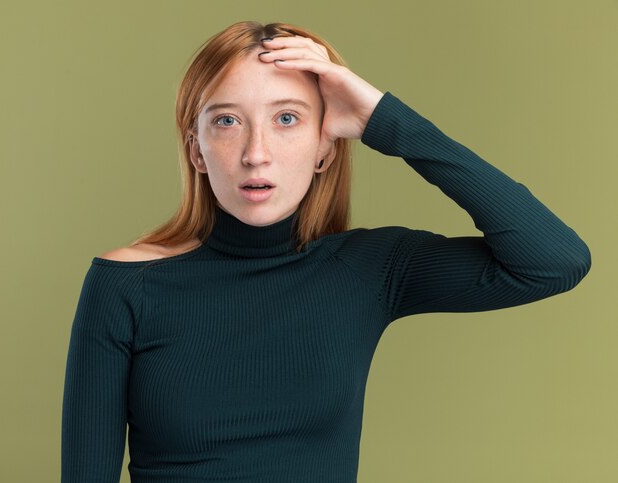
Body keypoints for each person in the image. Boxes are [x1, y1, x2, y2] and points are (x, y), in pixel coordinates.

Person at [61, 20, 591, 483]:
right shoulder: (124, 283)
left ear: (325, 147)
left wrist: (388, 121)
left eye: (286, 118)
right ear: (196, 149)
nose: (256, 153)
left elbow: (554, 261)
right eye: (227, 121)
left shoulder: (369, 269)